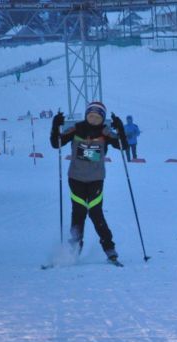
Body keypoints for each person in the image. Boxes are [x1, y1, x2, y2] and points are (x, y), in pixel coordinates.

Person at [50, 101, 125, 262]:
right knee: (78, 213)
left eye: (98, 117)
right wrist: (55, 125)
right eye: (91, 115)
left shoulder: (105, 132)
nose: (93, 119)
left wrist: (120, 129)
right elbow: (56, 143)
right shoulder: (77, 128)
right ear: (86, 115)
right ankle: (74, 249)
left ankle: (109, 248)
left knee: (96, 213)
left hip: (96, 180)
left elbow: (122, 145)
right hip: (76, 179)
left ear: (102, 118)